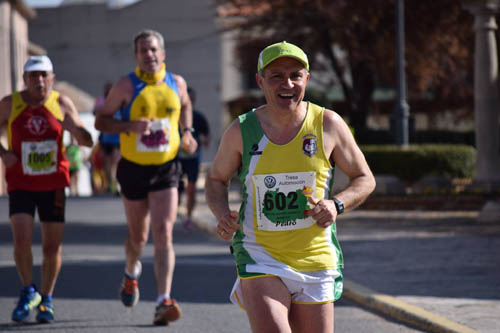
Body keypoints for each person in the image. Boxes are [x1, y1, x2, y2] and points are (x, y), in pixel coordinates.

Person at [205, 41, 376, 333]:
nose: (288, 84)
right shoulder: (242, 130)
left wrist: (336, 204)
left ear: (306, 79)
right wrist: (222, 213)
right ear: (260, 81)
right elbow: (215, 179)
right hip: (260, 254)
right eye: (276, 76)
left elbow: (365, 178)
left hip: (316, 256)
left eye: (296, 75)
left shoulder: (328, 124)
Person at [94, 29, 197, 326]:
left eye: (153, 50)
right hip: (134, 168)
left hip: (166, 167)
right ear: (136, 56)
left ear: (162, 54)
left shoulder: (177, 83)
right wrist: (128, 126)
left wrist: (187, 132)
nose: (149, 55)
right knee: (138, 237)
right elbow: (102, 120)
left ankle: (163, 300)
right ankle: (130, 273)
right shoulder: (126, 86)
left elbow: (186, 105)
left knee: (164, 233)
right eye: (143, 50)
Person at [0, 55, 93, 323]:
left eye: (44, 75)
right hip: (21, 182)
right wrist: (4, 153)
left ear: (51, 79)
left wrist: (76, 131)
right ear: (25, 79)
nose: (39, 81)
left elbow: (85, 140)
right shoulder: (10, 103)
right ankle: (28, 290)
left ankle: (47, 298)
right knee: (21, 240)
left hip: (53, 183)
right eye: (33, 76)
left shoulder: (61, 103)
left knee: (52, 247)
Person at [178, 87, 211, 230]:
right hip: (175, 158)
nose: (189, 101)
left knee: (191, 188)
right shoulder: (174, 117)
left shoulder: (198, 117)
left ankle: (188, 217)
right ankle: (174, 209)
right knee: (175, 188)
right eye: (187, 98)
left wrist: (204, 140)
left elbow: (207, 135)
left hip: (193, 158)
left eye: (192, 99)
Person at [94, 82, 121, 194]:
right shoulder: (101, 101)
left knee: (116, 162)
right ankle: (110, 183)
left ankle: (115, 184)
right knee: (108, 163)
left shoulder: (119, 100)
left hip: (117, 138)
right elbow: (94, 113)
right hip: (106, 138)